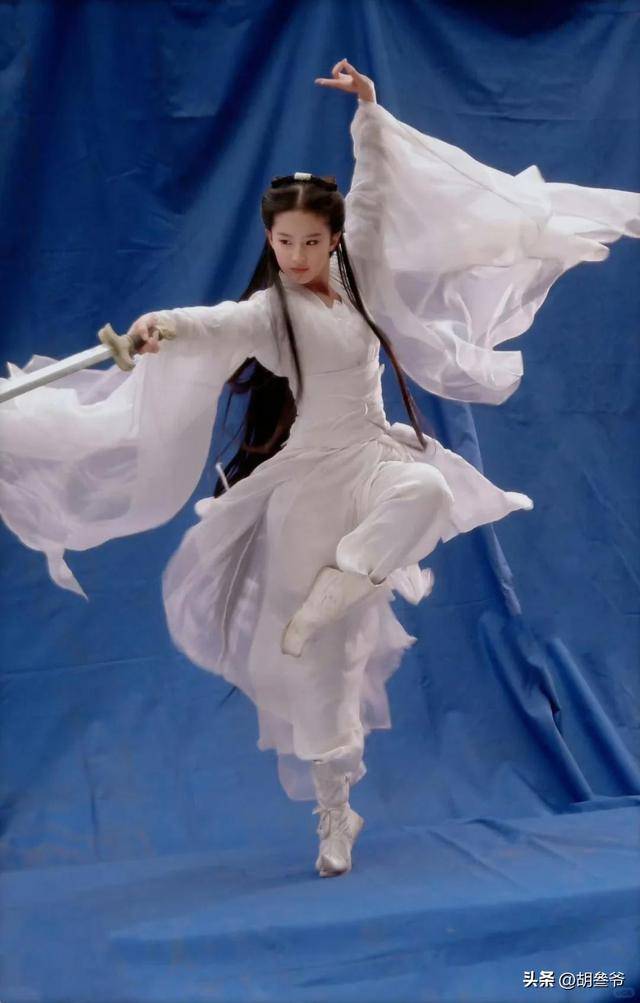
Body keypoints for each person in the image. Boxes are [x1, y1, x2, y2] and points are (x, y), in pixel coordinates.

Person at [1, 60, 638, 879]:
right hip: (308, 481)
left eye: (310, 240)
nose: (297, 254)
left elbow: (375, 188)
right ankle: (336, 812)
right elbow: (212, 322)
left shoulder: (360, 266)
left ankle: (349, 576)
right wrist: (161, 327)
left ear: (332, 239)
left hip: (373, 454)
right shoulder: (273, 313)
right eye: (284, 242)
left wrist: (368, 110)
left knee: (427, 486)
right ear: (270, 242)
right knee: (324, 663)